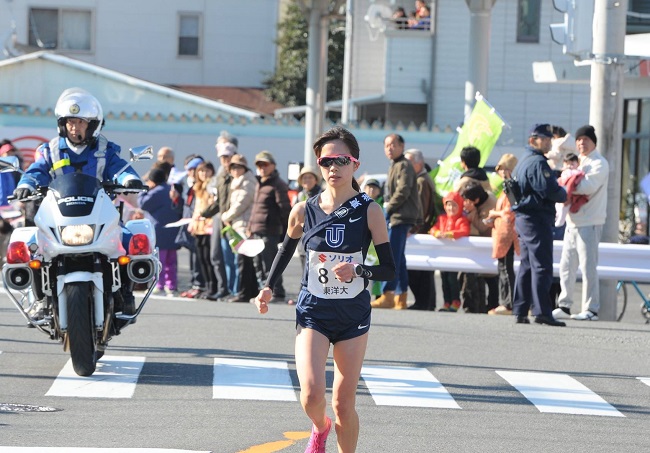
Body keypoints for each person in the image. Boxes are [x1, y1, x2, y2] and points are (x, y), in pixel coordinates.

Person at [253, 126, 395, 453]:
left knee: (344, 405)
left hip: (352, 315)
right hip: (313, 311)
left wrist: (358, 269)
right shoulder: (303, 209)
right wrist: (267, 287)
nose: (334, 167)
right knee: (312, 395)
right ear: (319, 165)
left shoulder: (369, 210)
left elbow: (389, 268)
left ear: (355, 164)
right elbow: (285, 249)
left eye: (341, 160)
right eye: (327, 160)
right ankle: (320, 427)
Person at [13, 87, 144, 314]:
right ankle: (41, 300)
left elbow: (120, 167)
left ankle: (124, 293)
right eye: (70, 122)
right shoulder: (51, 150)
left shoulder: (105, 149)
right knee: (33, 248)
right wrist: (26, 185)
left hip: (98, 212)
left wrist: (130, 178)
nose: (75, 128)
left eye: (81, 122)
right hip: (60, 214)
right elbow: (37, 170)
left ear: (93, 125)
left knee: (129, 242)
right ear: (63, 124)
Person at [511, 124, 567, 326]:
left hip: (525, 219)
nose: (549, 142)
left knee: (527, 265)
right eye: (545, 139)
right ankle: (542, 311)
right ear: (533, 140)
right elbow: (550, 190)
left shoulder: (524, 160)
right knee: (541, 265)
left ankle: (519, 310)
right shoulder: (537, 163)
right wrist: (564, 192)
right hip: (536, 218)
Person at [553, 125, 609, 321]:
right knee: (566, 266)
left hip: (590, 221)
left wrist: (564, 183)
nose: (581, 143)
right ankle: (565, 305)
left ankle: (591, 309)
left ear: (594, 142)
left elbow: (587, 186)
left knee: (588, 267)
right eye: (579, 140)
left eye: (585, 139)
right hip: (573, 221)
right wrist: (566, 180)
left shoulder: (599, 163)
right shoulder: (579, 161)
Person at [371, 134, 422, 310]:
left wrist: (388, 208)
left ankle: (388, 295)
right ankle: (400, 296)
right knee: (399, 258)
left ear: (402, 146)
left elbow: (403, 190)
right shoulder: (396, 165)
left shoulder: (404, 165)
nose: (389, 148)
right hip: (398, 215)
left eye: (393, 144)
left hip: (399, 216)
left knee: (391, 256)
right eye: (386, 145)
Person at [247, 150, 291, 303]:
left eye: (265, 164)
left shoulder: (278, 184)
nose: (262, 168)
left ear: (273, 165)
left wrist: (286, 230)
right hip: (256, 230)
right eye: (259, 165)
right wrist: (250, 226)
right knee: (258, 263)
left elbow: (285, 209)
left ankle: (277, 293)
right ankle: (262, 293)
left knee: (270, 264)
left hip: (270, 230)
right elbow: (255, 208)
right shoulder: (258, 182)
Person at [221, 154, 259, 303]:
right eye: (233, 167)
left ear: (244, 168)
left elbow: (241, 203)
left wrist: (226, 216)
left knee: (244, 261)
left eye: (238, 167)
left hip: (244, 225)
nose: (235, 170)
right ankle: (249, 291)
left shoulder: (248, 181)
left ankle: (244, 292)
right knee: (244, 260)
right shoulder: (237, 181)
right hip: (237, 225)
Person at [139, 167, 182, 297]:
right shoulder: (170, 189)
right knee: (171, 261)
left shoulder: (156, 191)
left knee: (159, 260)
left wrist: (143, 190)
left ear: (152, 180)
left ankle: (158, 284)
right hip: (173, 230)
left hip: (159, 231)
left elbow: (142, 204)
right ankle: (172, 285)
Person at [404, 148, 438, 310]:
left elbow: (421, 210)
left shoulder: (421, 181)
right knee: (423, 270)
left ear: (419, 163)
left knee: (419, 270)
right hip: (422, 229)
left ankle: (424, 302)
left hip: (420, 230)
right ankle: (426, 302)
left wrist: (414, 228)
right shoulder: (422, 179)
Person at [486, 154, 519, 316]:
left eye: (502, 169)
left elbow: (511, 211)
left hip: (507, 232)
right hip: (502, 231)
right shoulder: (507, 186)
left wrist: (494, 213)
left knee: (506, 269)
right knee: (504, 268)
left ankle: (509, 303)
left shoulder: (511, 186)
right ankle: (506, 302)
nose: (499, 172)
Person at [459, 181, 498, 313]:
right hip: (485, 245)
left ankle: (493, 305)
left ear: (476, 199)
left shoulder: (489, 206)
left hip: (489, 243)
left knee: (491, 278)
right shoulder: (486, 195)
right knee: (486, 277)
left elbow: (482, 227)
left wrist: (473, 212)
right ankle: (485, 306)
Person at [209, 132, 239, 300]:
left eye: (227, 154)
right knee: (218, 256)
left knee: (232, 257)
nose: (224, 158)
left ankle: (233, 290)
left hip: (232, 219)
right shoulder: (220, 172)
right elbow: (217, 198)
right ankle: (224, 288)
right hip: (219, 218)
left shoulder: (238, 170)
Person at [287, 166, 323, 305]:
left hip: (316, 238)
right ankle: (304, 296)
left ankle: (315, 297)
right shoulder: (300, 195)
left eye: (310, 177)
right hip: (302, 237)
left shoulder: (321, 194)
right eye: (304, 178)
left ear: (316, 179)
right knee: (305, 269)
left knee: (316, 269)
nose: (307, 180)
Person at [431, 191, 470, 312]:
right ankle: (446, 302)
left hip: (455, 256)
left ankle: (455, 301)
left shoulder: (462, 220)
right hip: (443, 256)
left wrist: (450, 234)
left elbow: (464, 231)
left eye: (454, 205)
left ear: (459, 206)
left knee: (452, 280)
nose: (451, 208)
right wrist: (437, 233)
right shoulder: (442, 218)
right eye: (448, 205)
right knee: (444, 279)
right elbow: (433, 229)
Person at [188, 161, 219, 299]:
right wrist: (193, 223)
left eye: (206, 171)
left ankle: (213, 288)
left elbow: (213, 206)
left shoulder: (212, 185)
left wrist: (209, 223)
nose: (203, 174)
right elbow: (196, 208)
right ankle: (207, 287)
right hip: (198, 226)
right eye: (201, 171)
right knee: (201, 258)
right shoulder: (197, 187)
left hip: (208, 226)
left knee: (209, 258)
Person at [554, 153, 588, 228]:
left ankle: (561, 220)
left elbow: (571, 184)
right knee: (558, 206)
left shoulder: (575, 172)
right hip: (564, 192)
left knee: (564, 208)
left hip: (569, 194)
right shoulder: (565, 172)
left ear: (578, 164)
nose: (569, 166)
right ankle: (558, 217)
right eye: (567, 164)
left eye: (572, 164)